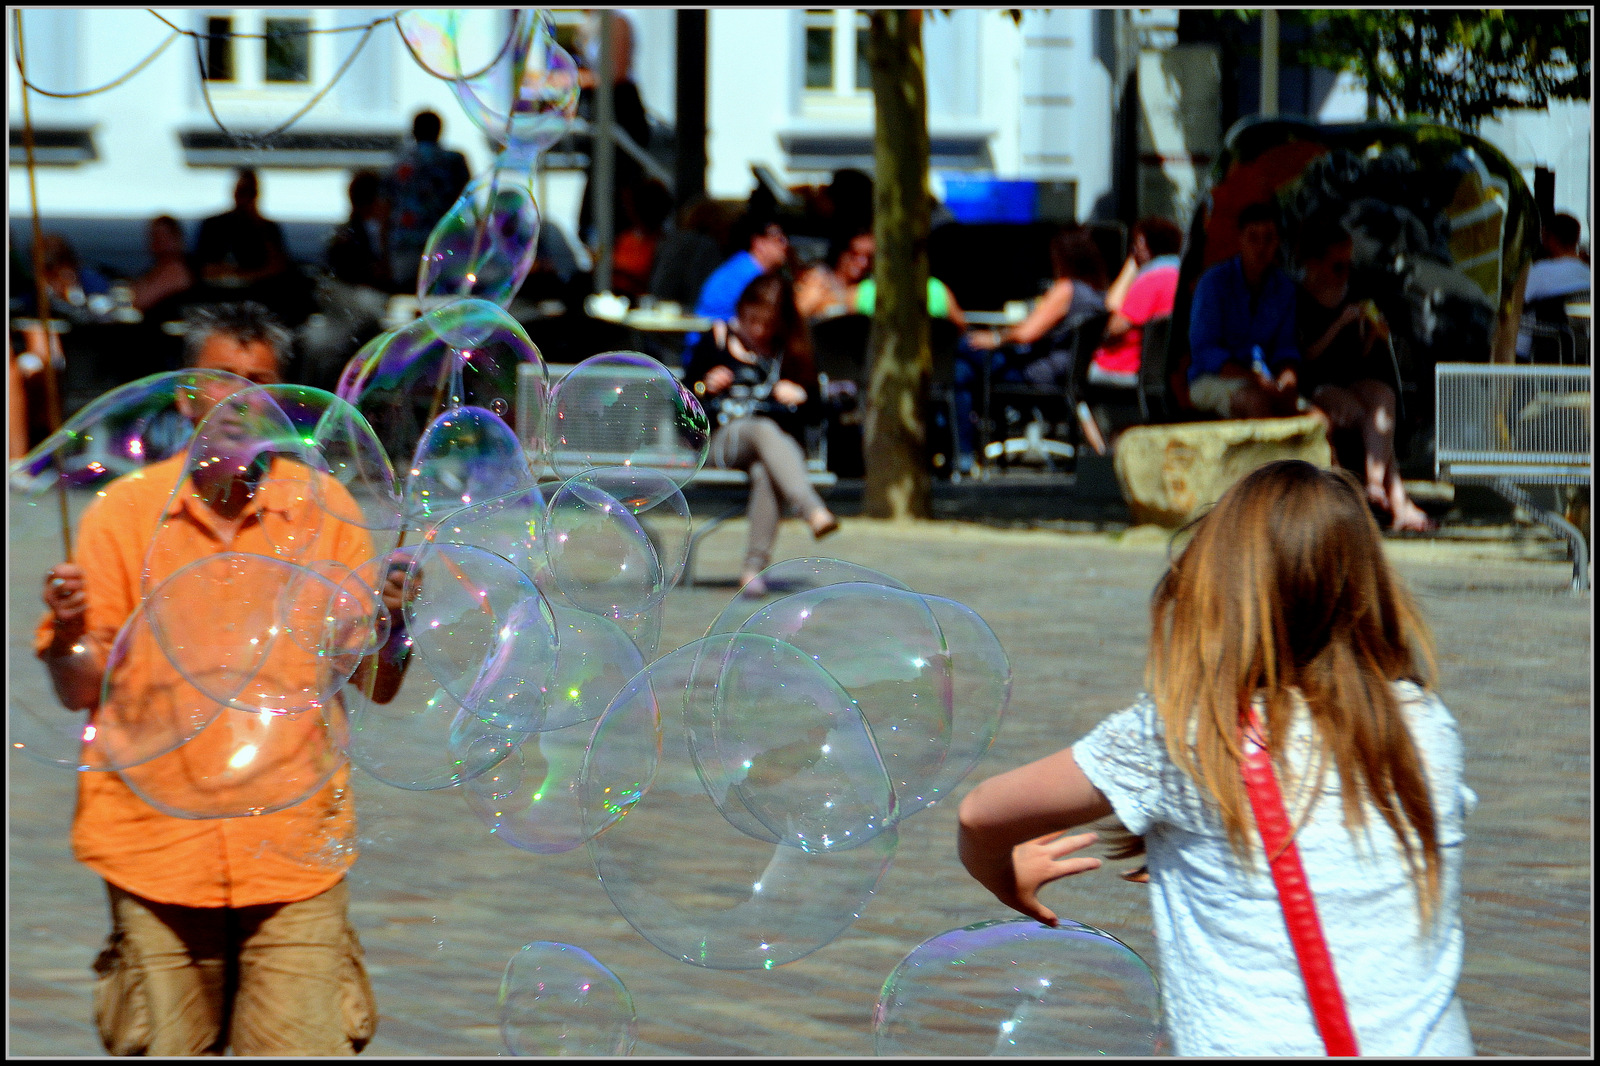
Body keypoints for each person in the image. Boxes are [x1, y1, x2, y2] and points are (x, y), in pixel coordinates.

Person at [956, 459, 1475, 1056]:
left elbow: (978, 815)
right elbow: (1346, 848)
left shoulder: (1186, 737)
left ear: (1215, 588)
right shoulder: (1428, 726)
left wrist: (1004, 875)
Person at [36, 301, 414, 1056]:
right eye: (221, 380)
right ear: (185, 395)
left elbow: (373, 678)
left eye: (261, 382)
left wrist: (393, 623)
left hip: (294, 847)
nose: (242, 399)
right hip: (155, 848)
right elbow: (81, 688)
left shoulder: (325, 508)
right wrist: (71, 632)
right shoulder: (125, 514)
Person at [685, 273, 839, 595]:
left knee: (765, 472)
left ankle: (753, 570)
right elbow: (684, 403)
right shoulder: (716, 339)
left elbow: (816, 414)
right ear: (741, 310)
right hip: (721, 443)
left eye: (767, 324)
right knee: (760, 428)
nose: (758, 330)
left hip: (775, 454)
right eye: (752, 320)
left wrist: (801, 395)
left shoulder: (789, 351)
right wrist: (705, 385)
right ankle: (810, 507)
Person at [1296, 220, 1434, 532]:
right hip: (1318, 381)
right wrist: (1339, 324)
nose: (1345, 273)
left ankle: (1376, 486)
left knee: (1383, 401)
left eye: (1349, 264)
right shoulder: (1298, 297)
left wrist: (1374, 333)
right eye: (1337, 266)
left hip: (1350, 376)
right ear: (1314, 263)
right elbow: (1306, 356)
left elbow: (1360, 356)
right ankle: (1396, 498)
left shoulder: (1354, 290)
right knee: (1362, 414)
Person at [1187, 201, 1302, 419]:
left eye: (1268, 238)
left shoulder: (1284, 287)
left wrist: (1288, 381)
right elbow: (1205, 351)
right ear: (1240, 239)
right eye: (1253, 238)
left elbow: (1286, 347)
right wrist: (1254, 379)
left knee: (1318, 420)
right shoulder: (1214, 282)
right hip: (1212, 379)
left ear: (1277, 241)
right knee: (1257, 402)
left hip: (1267, 381)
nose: (1261, 247)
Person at [574, 9, 653, 251]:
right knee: (598, 199)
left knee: (618, 195)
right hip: (600, 116)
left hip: (621, 113)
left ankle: (622, 257)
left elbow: (615, 72)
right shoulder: (590, 24)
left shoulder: (618, 21)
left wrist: (571, 79)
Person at [194, 169, 312, 326]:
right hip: (220, 295)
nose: (244, 198)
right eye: (242, 191)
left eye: (250, 192)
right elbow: (207, 270)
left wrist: (259, 226)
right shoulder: (214, 225)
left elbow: (278, 267)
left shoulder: (267, 228)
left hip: (260, 297)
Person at [384, 111, 472, 291]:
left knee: (408, 296)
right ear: (439, 131)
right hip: (446, 245)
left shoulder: (398, 163)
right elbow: (467, 202)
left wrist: (384, 252)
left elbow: (386, 207)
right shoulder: (454, 161)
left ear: (413, 131)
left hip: (406, 245)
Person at [1090, 217, 1184, 381]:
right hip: (1163, 370)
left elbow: (1112, 325)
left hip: (1123, 366)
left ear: (1146, 244)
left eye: (1137, 242)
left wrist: (1131, 265)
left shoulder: (1152, 279)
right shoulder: (1180, 277)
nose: (1133, 248)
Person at [611, 177, 673, 300]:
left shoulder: (664, 244)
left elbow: (655, 280)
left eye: (630, 204)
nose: (627, 209)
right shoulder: (625, 238)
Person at [129, 216, 196, 317]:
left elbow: (140, 301)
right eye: (155, 237)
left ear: (177, 239)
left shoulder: (176, 270)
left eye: (164, 237)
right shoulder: (155, 269)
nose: (158, 243)